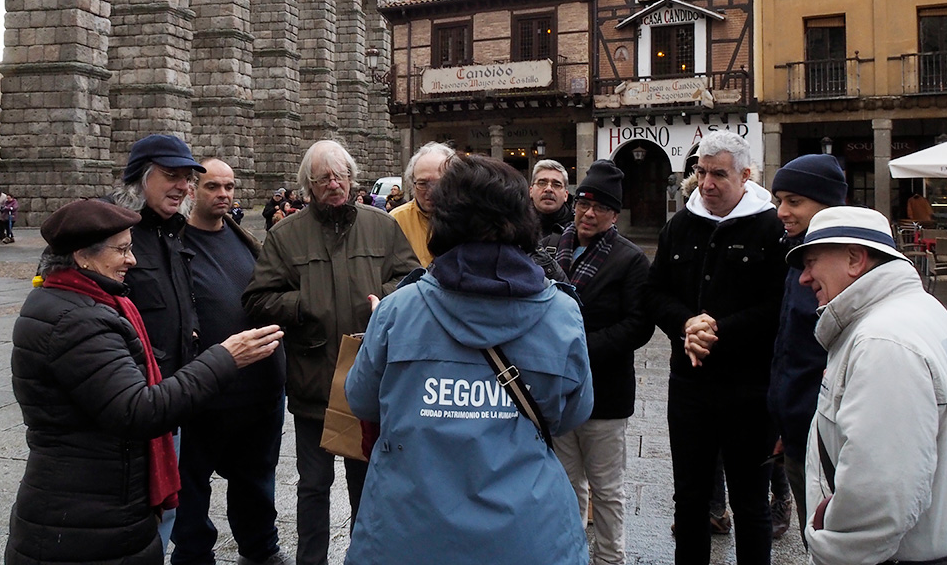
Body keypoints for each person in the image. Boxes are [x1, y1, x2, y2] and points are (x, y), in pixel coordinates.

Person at [343, 154, 594, 565]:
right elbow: (571, 413)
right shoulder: (562, 314)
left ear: (444, 221)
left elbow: (362, 401)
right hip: (527, 537)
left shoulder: (397, 311)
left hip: (409, 535)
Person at [4, 198, 283, 565]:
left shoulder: (83, 304)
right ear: (82, 256)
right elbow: (139, 410)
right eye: (121, 249)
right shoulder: (77, 321)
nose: (131, 260)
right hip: (81, 521)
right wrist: (224, 358)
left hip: (94, 506)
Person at [243, 140, 420, 565]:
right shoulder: (286, 235)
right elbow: (256, 299)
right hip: (313, 384)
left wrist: (388, 300)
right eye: (323, 178)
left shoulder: (381, 225)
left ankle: (364, 558)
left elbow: (414, 279)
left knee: (367, 487)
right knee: (313, 488)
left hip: (368, 383)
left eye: (340, 175)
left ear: (351, 178)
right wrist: (304, 304)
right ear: (309, 185)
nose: (334, 184)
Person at [787, 207, 947, 565]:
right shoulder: (918, 310)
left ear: (855, 259)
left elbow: (880, 493)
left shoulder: (883, 341)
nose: (804, 278)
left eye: (812, 262)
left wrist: (830, 551)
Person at [646, 131, 786, 565]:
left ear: (746, 175)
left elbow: (775, 306)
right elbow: (655, 294)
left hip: (749, 389)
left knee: (749, 500)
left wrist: (715, 331)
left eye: (719, 174)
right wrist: (686, 324)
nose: (706, 183)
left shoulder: (770, 227)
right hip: (689, 386)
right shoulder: (680, 224)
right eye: (701, 172)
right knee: (689, 497)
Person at [171, 159, 291, 565]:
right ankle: (192, 555)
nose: (223, 194)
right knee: (191, 485)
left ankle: (260, 549)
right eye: (212, 187)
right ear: (191, 190)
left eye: (229, 186)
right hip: (205, 394)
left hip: (261, 393)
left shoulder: (245, 239)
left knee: (256, 482)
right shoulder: (175, 244)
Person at [105, 133, 207, 546]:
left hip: (170, 400)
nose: (183, 185)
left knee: (165, 510)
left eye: (187, 177)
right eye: (171, 175)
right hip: (128, 401)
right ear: (139, 178)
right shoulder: (110, 233)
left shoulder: (173, 232)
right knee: (128, 518)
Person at [551, 160, 653, 565]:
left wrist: (580, 348)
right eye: (584, 205)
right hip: (559, 391)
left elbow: (638, 326)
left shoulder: (630, 260)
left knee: (607, 489)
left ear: (614, 215)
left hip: (605, 393)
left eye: (601, 208)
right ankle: (570, 552)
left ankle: (610, 557)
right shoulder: (553, 248)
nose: (589, 214)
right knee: (565, 483)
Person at [768, 154, 848, 543]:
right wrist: (786, 422)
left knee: (830, 541)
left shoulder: (843, 266)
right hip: (800, 434)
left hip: (830, 444)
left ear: (827, 204)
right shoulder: (797, 255)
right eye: (779, 199)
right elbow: (791, 349)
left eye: (794, 201)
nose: (782, 211)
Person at [389, 142, 455, 267]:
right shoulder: (396, 221)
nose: (431, 191)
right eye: (423, 184)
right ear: (412, 185)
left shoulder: (468, 218)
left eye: (439, 183)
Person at [530, 158, 573, 247]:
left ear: (566, 195)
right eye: (542, 183)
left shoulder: (577, 229)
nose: (548, 189)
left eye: (556, 185)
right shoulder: (515, 226)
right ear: (531, 191)